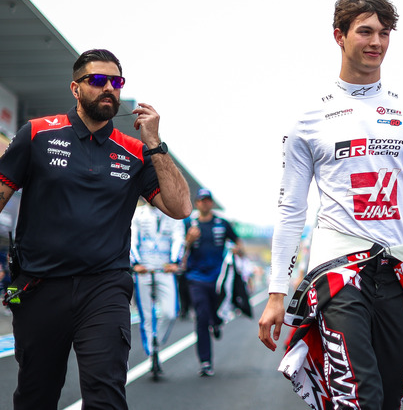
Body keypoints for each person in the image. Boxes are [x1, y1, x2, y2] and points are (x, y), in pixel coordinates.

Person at [257, 0, 403, 410]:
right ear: (339, 36)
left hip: (397, 271)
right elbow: (291, 209)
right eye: (365, 31)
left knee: (389, 397)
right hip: (337, 272)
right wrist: (275, 293)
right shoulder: (308, 118)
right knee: (358, 396)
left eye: (384, 32)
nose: (376, 42)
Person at [0, 49, 191, 410]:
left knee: (106, 398)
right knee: (35, 396)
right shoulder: (38, 133)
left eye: (116, 82)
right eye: (98, 80)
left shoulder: (135, 150)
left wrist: (155, 143)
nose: (109, 89)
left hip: (104, 289)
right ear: (75, 88)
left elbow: (180, 207)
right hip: (39, 286)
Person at [184, 188, 244, 377]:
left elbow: (238, 243)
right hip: (196, 278)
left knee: (215, 314)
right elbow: (179, 249)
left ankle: (216, 322)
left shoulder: (222, 223)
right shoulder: (189, 224)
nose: (205, 203)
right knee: (201, 316)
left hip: (218, 279)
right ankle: (205, 362)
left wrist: (237, 250)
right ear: (196, 203)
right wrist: (189, 240)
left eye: (208, 200)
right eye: (202, 200)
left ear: (212, 203)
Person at [130, 198, 186, 374]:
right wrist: (136, 263)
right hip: (144, 270)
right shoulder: (137, 214)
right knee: (146, 315)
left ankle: (156, 341)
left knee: (170, 312)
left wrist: (174, 261)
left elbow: (179, 238)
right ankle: (152, 354)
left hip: (165, 270)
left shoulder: (173, 213)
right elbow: (130, 238)